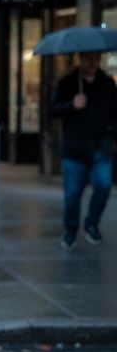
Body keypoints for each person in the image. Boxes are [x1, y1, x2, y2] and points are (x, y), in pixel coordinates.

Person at [49, 50, 117, 249]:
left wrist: (113, 137)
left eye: (96, 58)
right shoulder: (68, 83)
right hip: (74, 147)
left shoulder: (107, 84)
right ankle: (70, 230)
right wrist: (72, 105)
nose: (93, 62)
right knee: (72, 194)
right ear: (81, 59)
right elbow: (52, 110)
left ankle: (91, 223)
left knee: (103, 185)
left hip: (100, 145)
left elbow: (115, 113)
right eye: (88, 58)